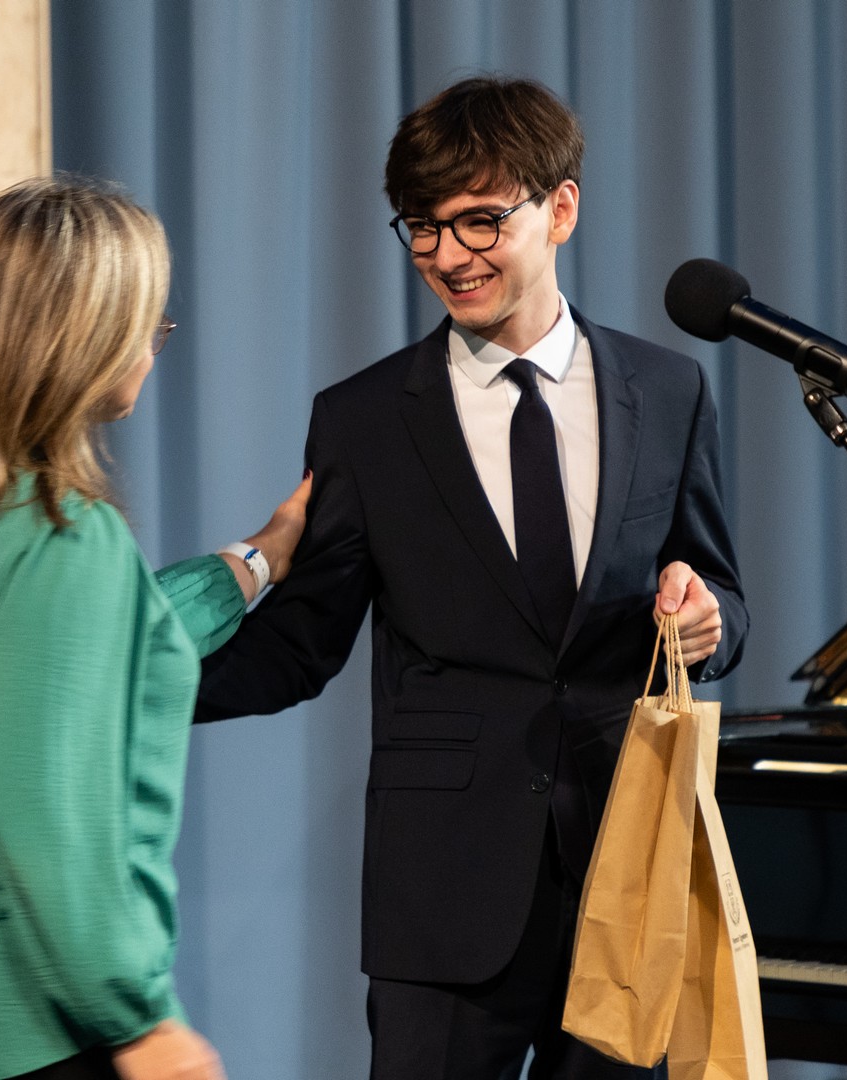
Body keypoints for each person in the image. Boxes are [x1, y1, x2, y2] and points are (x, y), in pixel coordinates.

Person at [195, 76, 747, 1078]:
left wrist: (710, 622)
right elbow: (301, 647)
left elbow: (718, 587)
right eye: (423, 227)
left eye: (479, 221)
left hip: (628, 878)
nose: (448, 255)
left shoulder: (668, 389)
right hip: (442, 899)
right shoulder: (363, 420)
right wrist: (127, 682)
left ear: (561, 208)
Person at [0, 176, 314, 1080]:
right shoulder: (65, 540)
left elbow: (105, 643)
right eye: (146, 324)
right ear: (82, 343)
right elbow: (48, 825)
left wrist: (257, 558)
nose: (153, 347)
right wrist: (140, 1020)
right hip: (12, 1029)